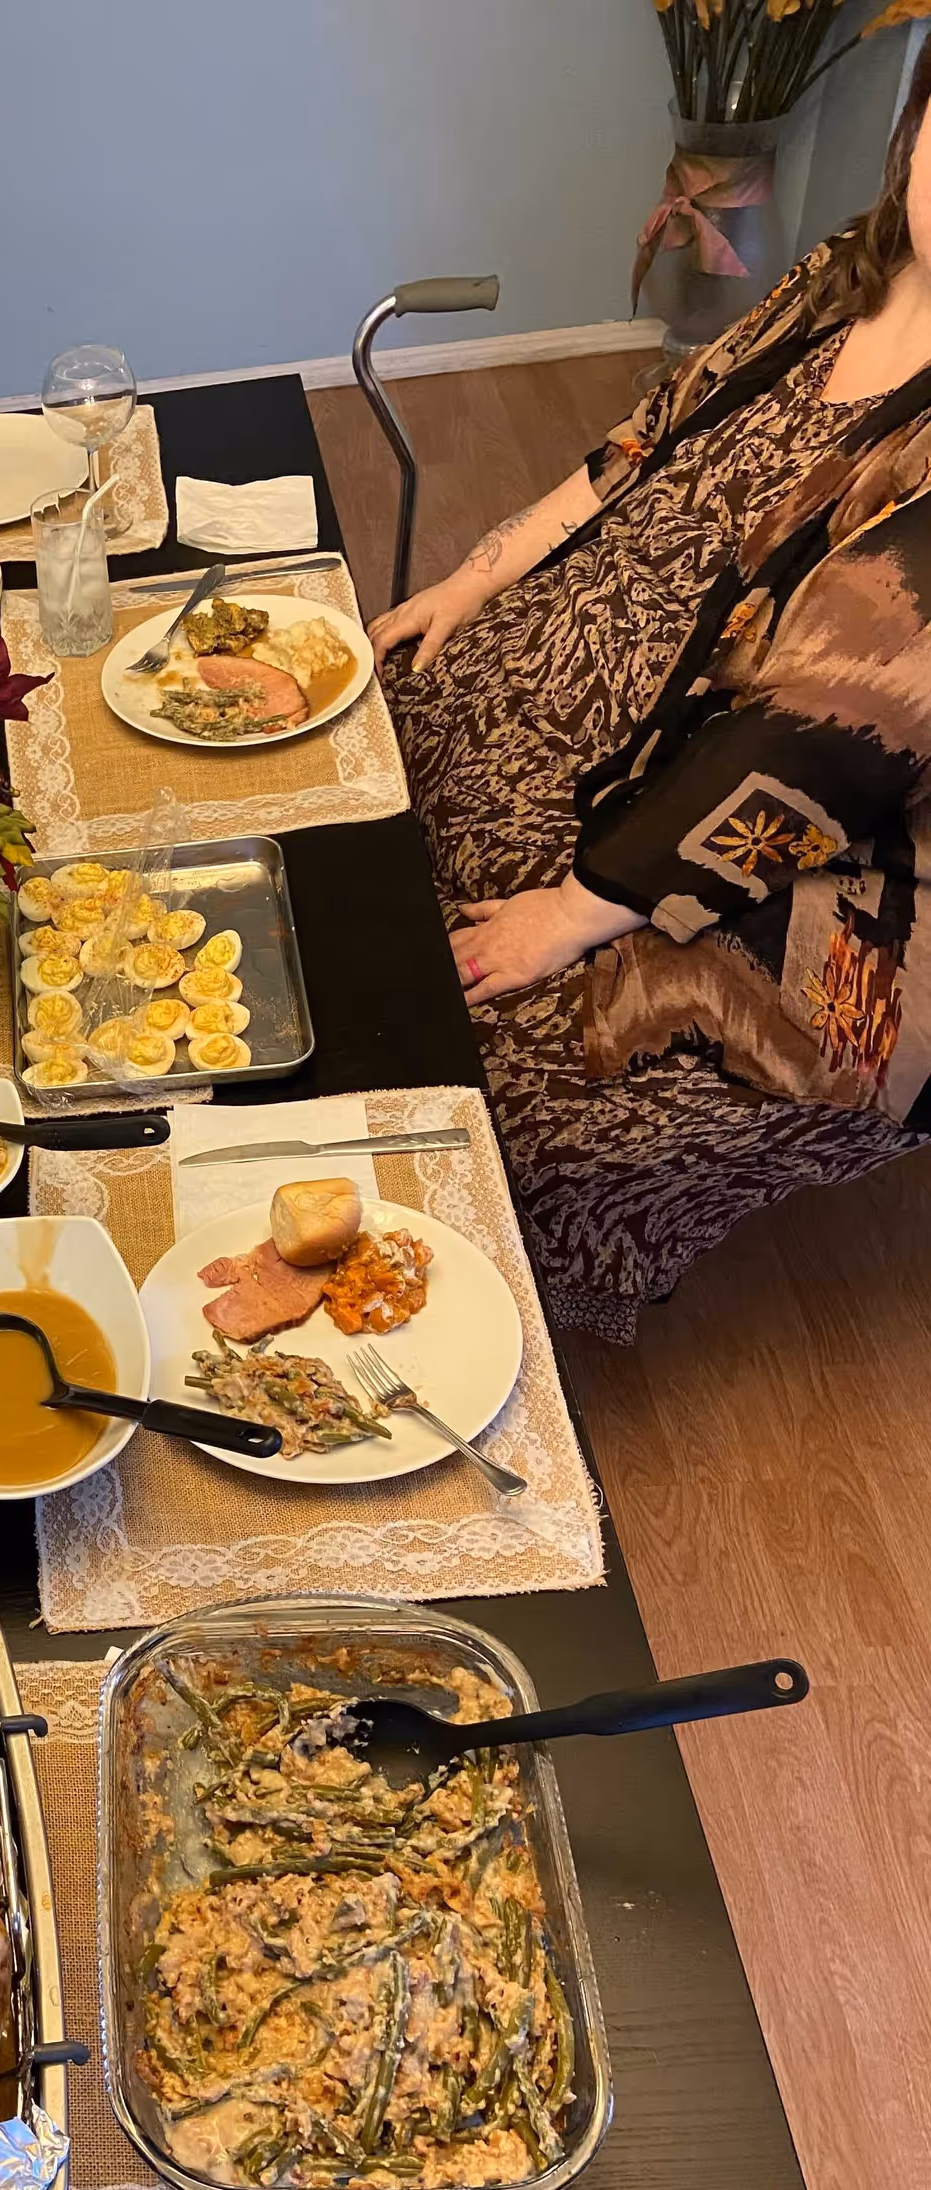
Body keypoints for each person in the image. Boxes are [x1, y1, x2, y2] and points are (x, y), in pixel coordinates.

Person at [370, 48, 931, 1342]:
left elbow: (830, 746)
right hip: (606, 692)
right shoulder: (841, 273)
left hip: (812, 839)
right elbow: (648, 437)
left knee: (503, 1085)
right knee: (368, 758)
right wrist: (477, 573)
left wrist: (578, 911)